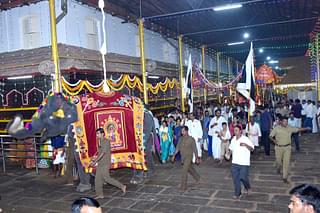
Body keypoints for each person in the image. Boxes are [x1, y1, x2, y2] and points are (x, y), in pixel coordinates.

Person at [269, 117, 309, 183]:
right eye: (284, 121)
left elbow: (298, 129)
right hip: (278, 148)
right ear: (281, 122)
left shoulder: (289, 127)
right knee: (278, 161)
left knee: (286, 163)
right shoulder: (276, 128)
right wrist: (274, 141)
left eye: (287, 121)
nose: (286, 123)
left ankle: (285, 177)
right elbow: (270, 136)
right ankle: (278, 167)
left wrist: (306, 128)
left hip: (287, 148)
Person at [89, 128, 126, 199]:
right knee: (97, 179)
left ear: (102, 134)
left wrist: (95, 161)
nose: (97, 135)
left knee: (107, 178)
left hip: (105, 162)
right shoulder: (100, 141)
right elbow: (99, 152)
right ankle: (100, 194)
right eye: (96, 134)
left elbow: (103, 153)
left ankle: (122, 186)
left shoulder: (106, 141)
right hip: (100, 162)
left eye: (98, 134)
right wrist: (94, 158)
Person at [229, 125, 254, 199]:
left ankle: (248, 187)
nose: (235, 132)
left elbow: (252, 149)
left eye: (236, 130)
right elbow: (231, 148)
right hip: (235, 162)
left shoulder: (245, 139)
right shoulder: (233, 139)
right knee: (236, 179)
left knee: (243, 177)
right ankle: (238, 193)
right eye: (234, 130)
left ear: (240, 131)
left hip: (244, 163)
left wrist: (246, 145)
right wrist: (228, 154)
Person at [172, 126, 200, 191]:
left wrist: (196, 157)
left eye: (183, 131)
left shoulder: (191, 139)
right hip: (183, 157)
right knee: (189, 168)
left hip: (189, 156)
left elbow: (195, 149)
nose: (182, 132)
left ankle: (183, 186)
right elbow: (177, 148)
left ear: (187, 131)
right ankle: (197, 177)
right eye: (182, 131)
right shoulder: (180, 139)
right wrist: (174, 155)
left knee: (184, 171)